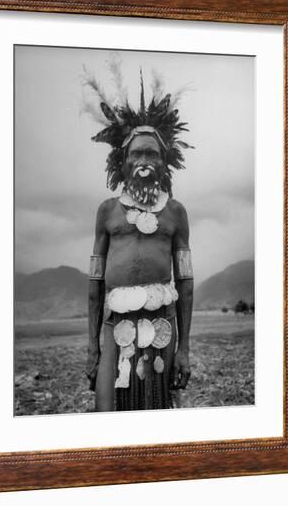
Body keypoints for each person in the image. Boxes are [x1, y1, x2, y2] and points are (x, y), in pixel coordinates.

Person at [83, 66, 194, 411]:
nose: (144, 161)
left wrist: (184, 348)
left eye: (152, 154)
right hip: (114, 327)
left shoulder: (176, 212)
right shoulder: (107, 212)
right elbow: (95, 283)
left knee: (158, 414)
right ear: (124, 161)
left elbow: (186, 282)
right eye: (137, 154)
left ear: (165, 164)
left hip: (163, 324)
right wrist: (92, 347)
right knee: (109, 415)